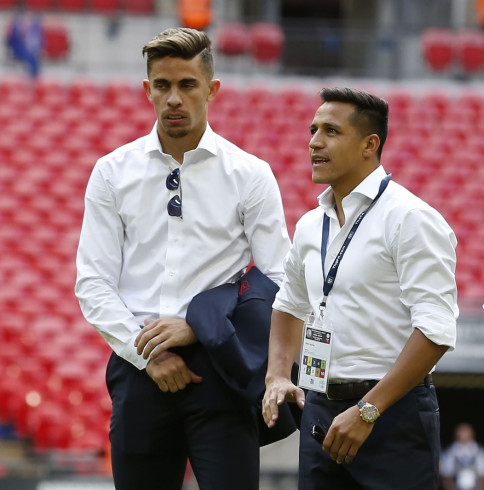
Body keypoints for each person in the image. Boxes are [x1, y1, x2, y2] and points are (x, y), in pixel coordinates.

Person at [75, 27, 291, 490]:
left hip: (222, 369)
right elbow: (92, 283)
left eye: (187, 85)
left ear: (211, 90)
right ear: (147, 90)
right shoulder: (112, 172)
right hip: (139, 371)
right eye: (163, 85)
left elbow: (280, 279)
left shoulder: (250, 175)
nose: (174, 98)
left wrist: (198, 326)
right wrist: (146, 353)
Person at [261, 87, 458, 489]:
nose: (314, 142)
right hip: (318, 409)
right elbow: (288, 305)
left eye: (331, 131)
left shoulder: (411, 218)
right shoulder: (310, 225)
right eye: (313, 130)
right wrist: (278, 375)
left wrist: (368, 411)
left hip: (391, 415)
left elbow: (436, 331)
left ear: (370, 144)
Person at [440, 422, 484, 490]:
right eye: (461, 432)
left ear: (472, 434)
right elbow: (446, 477)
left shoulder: (480, 452)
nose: (464, 434)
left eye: (466, 431)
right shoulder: (450, 452)